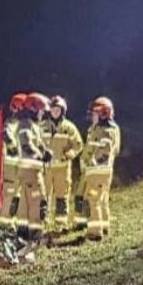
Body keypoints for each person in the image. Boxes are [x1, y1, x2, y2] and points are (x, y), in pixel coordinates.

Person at [79, 97, 121, 240]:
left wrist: (91, 162)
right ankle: (104, 226)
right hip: (103, 171)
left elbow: (104, 151)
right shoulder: (105, 129)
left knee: (93, 199)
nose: (92, 116)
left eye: (95, 113)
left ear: (103, 113)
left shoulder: (106, 130)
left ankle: (95, 232)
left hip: (98, 171)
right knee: (102, 199)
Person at [42, 96, 84, 231]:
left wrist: (67, 156)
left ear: (62, 110)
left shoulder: (69, 127)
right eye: (53, 109)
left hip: (62, 168)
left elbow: (78, 144)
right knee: (43, 196)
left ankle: (60, 224)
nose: (55, 111)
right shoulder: (42, 126)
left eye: (58, 109)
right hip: (46, 168)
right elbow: (35, 143)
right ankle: (43, 222)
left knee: (62, 196)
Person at [14, 93, 51, 238]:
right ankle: (35, 232)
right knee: (37, 199)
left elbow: (36, 144)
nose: (42, 114)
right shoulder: (26, 124)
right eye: (41, 111)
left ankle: (22, 230)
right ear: (33, 109)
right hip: (31, 171)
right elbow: (27, 145)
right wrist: (41, 156)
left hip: (27, 170)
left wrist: (45, 150)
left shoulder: (29, 124)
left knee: (25, 200)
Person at [0, 93, 27, 228]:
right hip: (11, 165)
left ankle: (14, 219)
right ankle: (6, 222)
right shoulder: (10, 123)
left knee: (18, 194)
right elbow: (6, 135)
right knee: (9, 193)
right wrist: (14, 147)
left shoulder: (25, 124)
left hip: (22, 165)